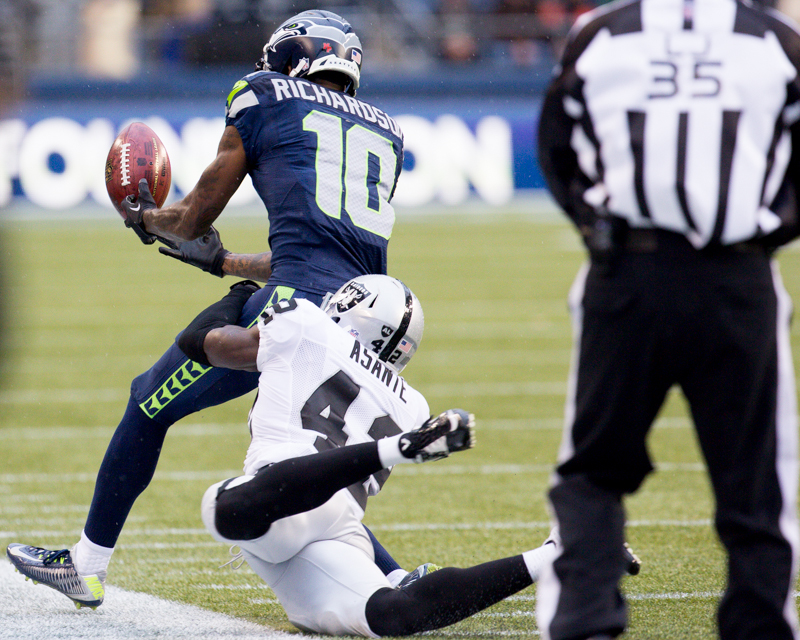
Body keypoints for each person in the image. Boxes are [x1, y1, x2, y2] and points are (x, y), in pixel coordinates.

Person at [5, 9, 410, 609]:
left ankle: (86, 568)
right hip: (356, 320)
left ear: (293, 56)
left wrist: (145, 217)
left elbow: (194, 216)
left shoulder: (264, 95)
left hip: (289, 313)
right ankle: (401, 580)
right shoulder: (386, 131)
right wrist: (225, 265)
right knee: (299, 467)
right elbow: (319, 255)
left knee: (148, 403)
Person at [535, 1, 800, 639]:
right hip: (737, 277)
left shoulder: (598, 34)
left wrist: (594, 225)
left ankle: (585, 623)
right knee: (756, 481)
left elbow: (557, 147)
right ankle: (758, 626)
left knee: (594, 470)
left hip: (628, 273)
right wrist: (768, 230)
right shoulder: (777, 43)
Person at [171, 273, 562, 637]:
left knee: (225, 509)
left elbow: (198, 341)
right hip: (338, 525)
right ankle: (553, 555)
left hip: (279, 495)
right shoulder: (413, 405)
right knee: (393, 614)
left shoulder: (305, 323)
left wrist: (240, 294)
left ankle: (402, 450)